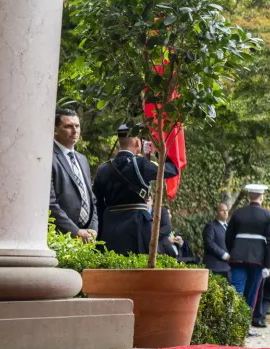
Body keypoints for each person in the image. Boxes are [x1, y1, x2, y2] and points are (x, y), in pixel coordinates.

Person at [94, 124, 178, 255]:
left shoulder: (103, 168)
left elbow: (99, 204)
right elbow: (172, 169)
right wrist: (157, 150)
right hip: (137, 227)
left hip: (110, 228)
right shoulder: (141, 164)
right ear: (138, 142)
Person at [226, 184, 270, 328]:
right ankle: (244, 326)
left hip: (238, 257)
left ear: (248, 197)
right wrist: (269, 265)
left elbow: (228, 237)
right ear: (261, 197)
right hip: (257, 259)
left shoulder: (238, 213)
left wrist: (232, 252)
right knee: (252, 293)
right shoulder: (267, 215)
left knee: (237, 290)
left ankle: (233, 324)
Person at [50, 108, 98, 242]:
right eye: (68, 126)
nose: (75, 130)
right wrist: (75, 231)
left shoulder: (82, 160)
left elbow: (91, 199)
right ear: (55, 129)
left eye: (77, 126)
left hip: (86, 236)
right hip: (60, 237)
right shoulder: (48, 157)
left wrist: (93, 228)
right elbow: (50, 203)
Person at [203, 203, 231, 283]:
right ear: (216, 212)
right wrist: (225, 255)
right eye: (222, 210)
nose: (225, 212)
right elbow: (209, 243)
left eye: (226, 210)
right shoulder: (210, 226)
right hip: (215, 266)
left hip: (228, 267)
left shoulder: (230, 227)